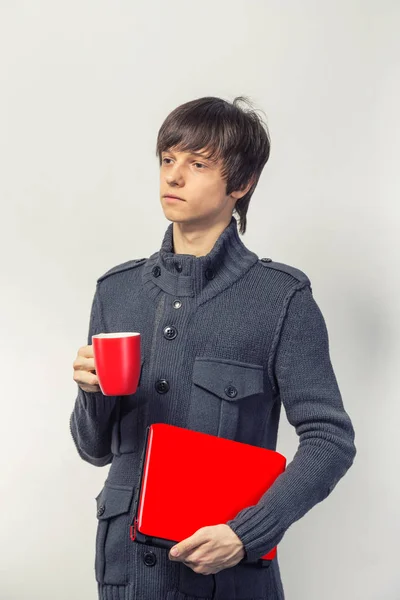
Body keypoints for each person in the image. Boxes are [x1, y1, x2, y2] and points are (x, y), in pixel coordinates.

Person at [70, 95, 357, 600]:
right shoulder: (116, 291)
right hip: (123, 576)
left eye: (197, 164)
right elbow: (92, 449)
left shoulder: (281, 299)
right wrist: (92, 392)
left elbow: (329, 440)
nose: (173, 177)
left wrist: (248, 534)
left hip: (225, 582)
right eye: (167, 159)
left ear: (242, 184)